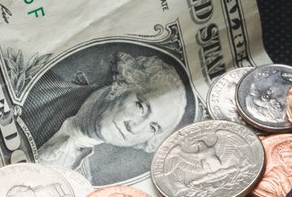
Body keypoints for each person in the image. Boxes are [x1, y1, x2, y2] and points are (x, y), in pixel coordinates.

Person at [27, 45, 190, 185]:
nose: (134, 128)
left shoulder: (85, 181)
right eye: (140, 106)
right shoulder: (36, 88)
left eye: (153, 128)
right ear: (123, 84)